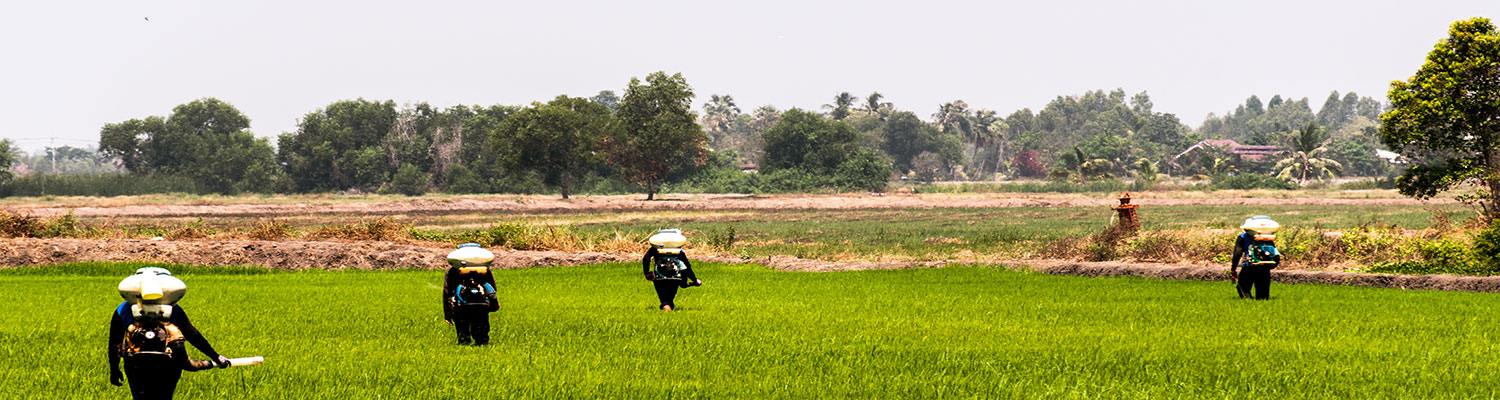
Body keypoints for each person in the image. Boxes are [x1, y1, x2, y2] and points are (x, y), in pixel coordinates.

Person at [108, 267, 230, 400]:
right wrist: (216, 357)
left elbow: (115, 343)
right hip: (169, 363)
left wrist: (114, 369)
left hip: (136, 363)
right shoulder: (173, 309)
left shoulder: (123, 309)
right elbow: (192, 334)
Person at [443, 243, 498, 345]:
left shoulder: (452, 270)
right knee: (481, 333)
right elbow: (493, 288)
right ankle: (481, 345)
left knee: (463, 332)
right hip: (481, 306)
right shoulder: (484, 269)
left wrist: (448, 314)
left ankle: (464, 346)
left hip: (460, 306)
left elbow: (447, 292)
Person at [643, 229, 702, 311]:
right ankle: (668, 315)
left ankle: (666, 315)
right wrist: (694, 280)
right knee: (669, 300)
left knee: (664, 300)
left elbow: (646, 258)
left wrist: (647, 273)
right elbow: (687, 267)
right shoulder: (679, 251)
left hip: (659, 277)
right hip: (675, 278)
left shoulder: (655, 249)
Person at [1230, 216, 1282, 300]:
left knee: (1243, 289)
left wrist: (1233, 269)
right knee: (1263, 296)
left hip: (1249, 266)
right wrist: (1272, 265)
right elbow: (1275, 253)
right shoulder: (1268, 237)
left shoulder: (1242, 237)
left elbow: (1237, 254)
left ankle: (1248, 305)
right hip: (1264, 267)